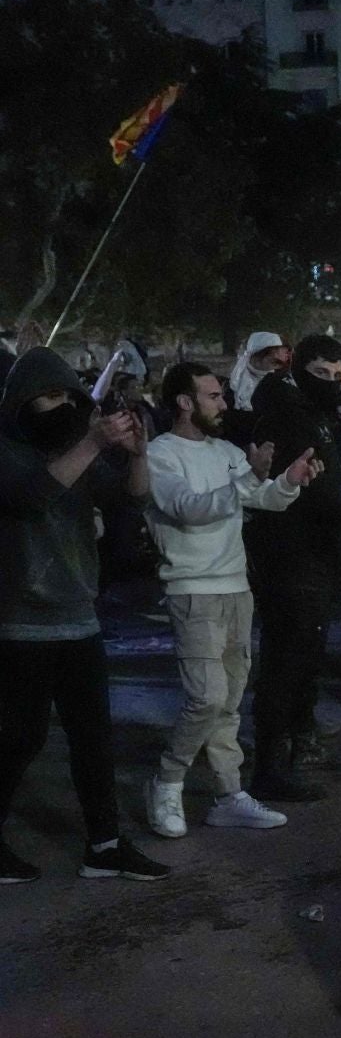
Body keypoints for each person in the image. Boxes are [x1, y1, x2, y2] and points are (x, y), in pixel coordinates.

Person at [0, 348, 167, 883]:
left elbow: (131, 499)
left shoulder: (76, 449)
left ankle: (105, 844)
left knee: (93, 740)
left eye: (72, 397)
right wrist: (93, 440)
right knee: (17, 740)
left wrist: (137, 454)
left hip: (79, 619)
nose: (65, 407)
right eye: (52, 397)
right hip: (20, 623)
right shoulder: (8, 451)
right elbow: (31, 498)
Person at [143, 362, 319, 838]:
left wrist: (289, 479)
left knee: (230, 701)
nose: (224, 404)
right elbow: (187, 508)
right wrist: (249, 480)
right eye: (214, 396)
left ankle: (228, 794)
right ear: (184, 401)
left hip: (236, 588)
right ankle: (167, 779)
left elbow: (264, 498)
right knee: (206, 698)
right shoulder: (160, 454)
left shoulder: (224, 450)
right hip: (192, 589)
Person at [245, 335, 341, 802]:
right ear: (297, 369)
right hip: (291, 556)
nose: (332, 385)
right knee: (286, 660)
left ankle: (298, 746)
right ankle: (271, 766)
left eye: (337, 376)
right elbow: (317, 498)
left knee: (304, 658)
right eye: (321, 375)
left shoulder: (311, 414)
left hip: (312, 554)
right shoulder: (288, 417)